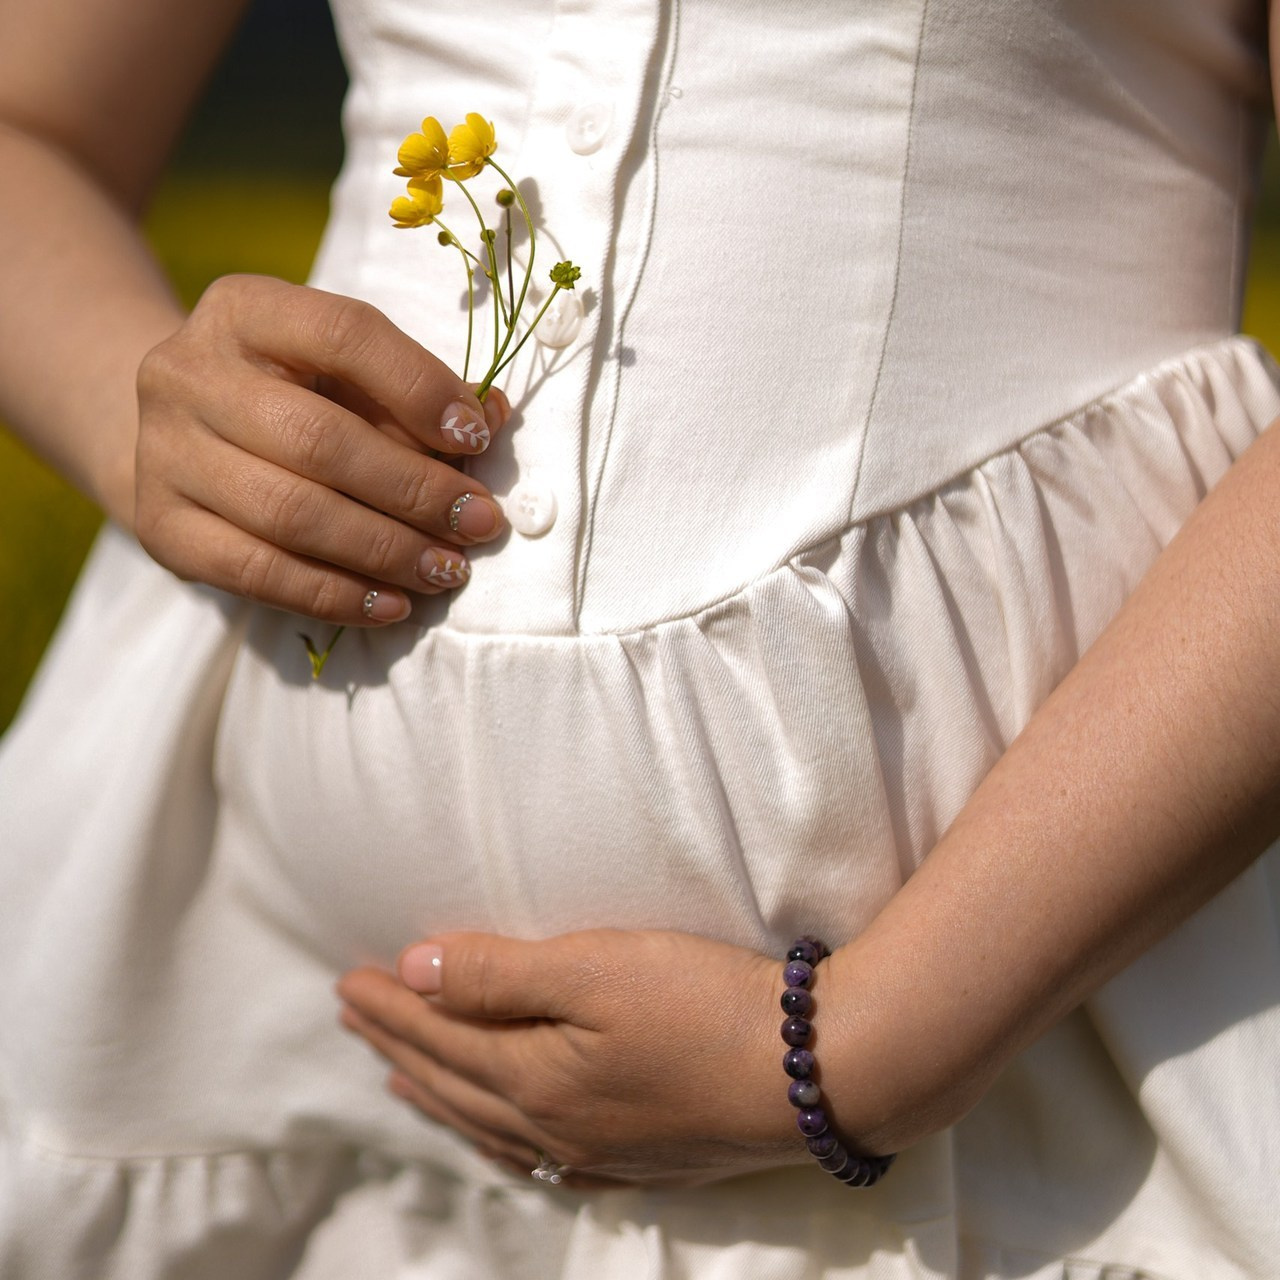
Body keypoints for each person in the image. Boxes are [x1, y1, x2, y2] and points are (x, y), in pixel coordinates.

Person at [1, 0, 1278, 1276]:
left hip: (1026, 1074)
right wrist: (139, 419)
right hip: (272, 1031)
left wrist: (875, 1042)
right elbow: (27, 128)